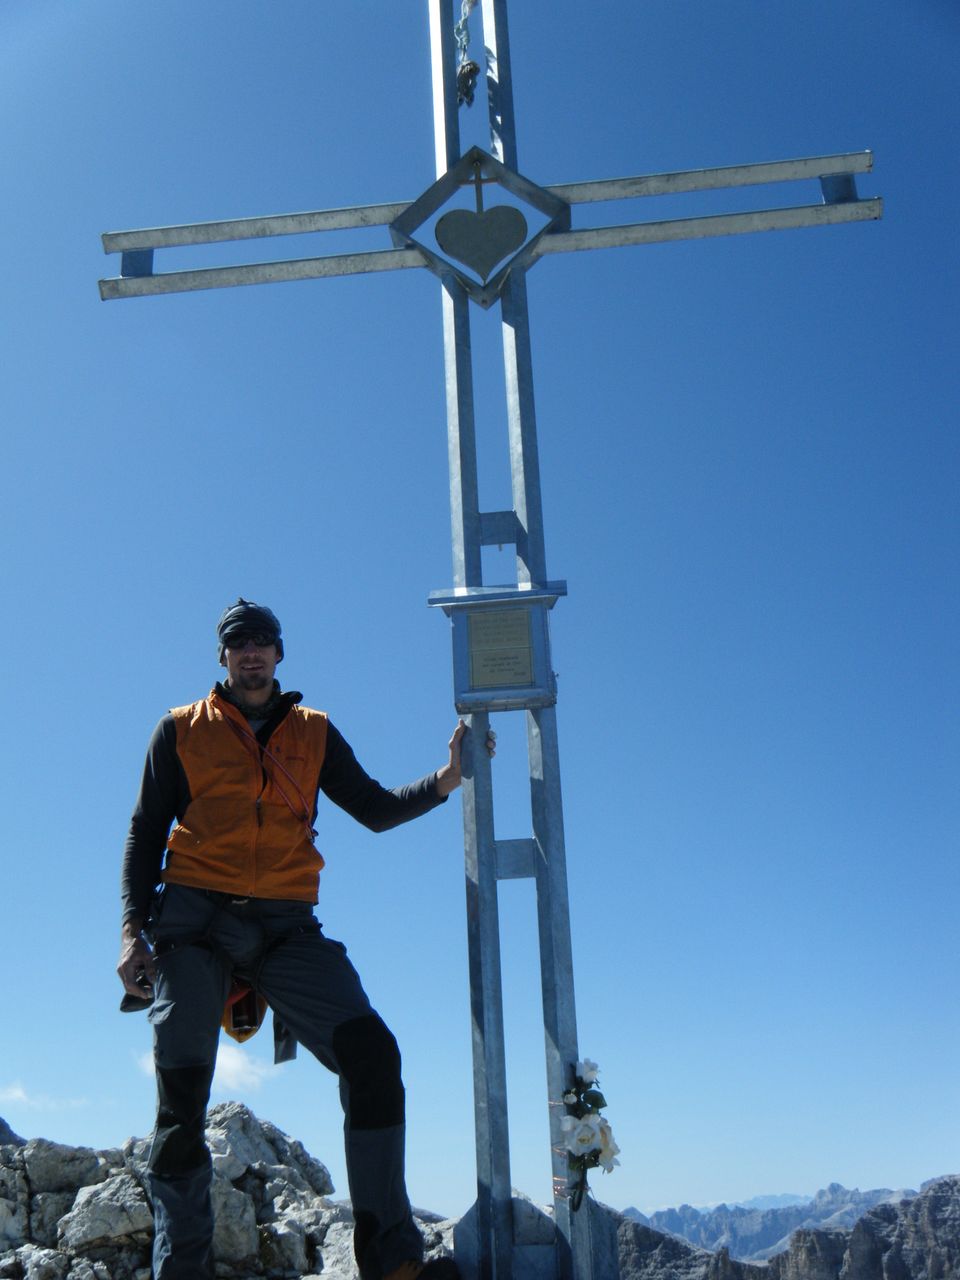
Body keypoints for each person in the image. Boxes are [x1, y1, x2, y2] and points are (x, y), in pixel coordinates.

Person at [118, 598, 492, 1280]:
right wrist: (130, 934)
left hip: (286, 926)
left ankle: (392, 1262)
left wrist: (448, 779)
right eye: (238, 642)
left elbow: (374, 808)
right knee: (181, 1102)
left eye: (262, 640)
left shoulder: (314, 732)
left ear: (279, 653)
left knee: (373, 1057)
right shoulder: (179, 729)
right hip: (193, 924)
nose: (251, 651)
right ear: (223, 656)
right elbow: (146, 833)